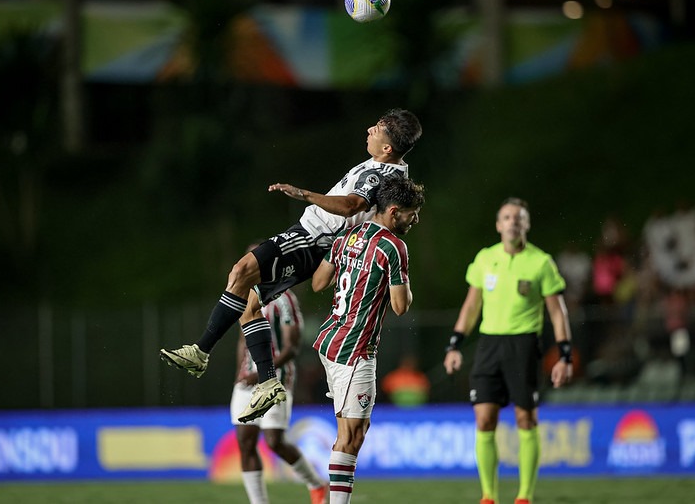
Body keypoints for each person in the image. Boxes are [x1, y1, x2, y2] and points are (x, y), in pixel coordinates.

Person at [160, 108, 423, 423]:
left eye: (377, 129)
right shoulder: (394, 170)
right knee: (249, 303)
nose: (369, 129)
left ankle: (201, 352)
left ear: (387, 148)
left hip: (310, 237)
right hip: (318, 243)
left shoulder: (379, 174)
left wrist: (305, 194)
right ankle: (269, 382)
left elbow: (352, 205)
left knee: (240, 271)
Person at [443, 197, 573, 504]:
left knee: (525, 418)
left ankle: (524, 496)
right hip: (489, 345)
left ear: (526, 224)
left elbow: (558, 313)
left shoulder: (541, 262)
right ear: (498, 225)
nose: (513, 221)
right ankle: (488, 496)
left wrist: (564, 355)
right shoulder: (485, 259)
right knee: (484, 419)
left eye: (519, 217)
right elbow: (471, 306)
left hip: (524, 344)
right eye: (507, 217)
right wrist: (455, 345)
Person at [311, 174, 425, 504]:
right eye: (411, 212)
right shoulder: (393, 247)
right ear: (392, 211)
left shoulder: (346, 237)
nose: (414, 219)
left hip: (330, 339)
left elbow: (319, 282)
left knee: (349, 431)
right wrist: (399, 276)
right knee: (352, 435)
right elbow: (401, 307)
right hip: (355, 349)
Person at [230, 246, 328, 504]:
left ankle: (316, 484)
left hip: (276, 378)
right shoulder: (241, 294)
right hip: (247, 379)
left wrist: (261, 372)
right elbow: (243, 337)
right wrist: (240, 370)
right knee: (245, 441)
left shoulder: (283, 299)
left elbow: (292, 347)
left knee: (274, 441)